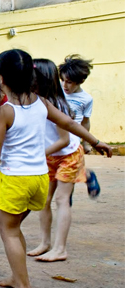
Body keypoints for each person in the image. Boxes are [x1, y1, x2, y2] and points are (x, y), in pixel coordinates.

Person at [0, 49, 111, 288]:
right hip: (40, 178)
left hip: (16, 180)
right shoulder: (40, 102)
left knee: (7, 231)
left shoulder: (5, 112)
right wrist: (97, 142)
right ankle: (17, 277)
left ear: (1, 78)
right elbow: (71, 124)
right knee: (14, 228)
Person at [26, 59, 87, 262]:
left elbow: (64, 140)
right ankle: (45, 243)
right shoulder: (35, 101)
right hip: (50, 155)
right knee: (44, 201)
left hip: (68, 155)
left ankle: (60, 248)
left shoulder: (57, 103)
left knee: (62, 199)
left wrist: (39, 153)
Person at [59, 54, 101, 199]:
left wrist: (86, 142)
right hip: (55, 137)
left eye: (69, 82)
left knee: (67, 172)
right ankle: (86, 176)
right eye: (63, 80)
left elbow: (85, 122)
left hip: (72, 140)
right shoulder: (56, 90)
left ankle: (85, 178)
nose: (65, 85)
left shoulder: (86, 99)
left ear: (80, 81)